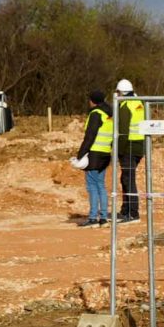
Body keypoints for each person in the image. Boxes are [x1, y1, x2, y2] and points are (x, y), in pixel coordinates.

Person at [71, 88, 114, 228]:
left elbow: (90, 136)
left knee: (92, 186)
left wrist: (81, 155)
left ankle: (93, 218)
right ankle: (103, 218)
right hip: (105, 153)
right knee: (100, 185)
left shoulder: (95, 114)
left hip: (94, 154)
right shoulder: (109, 115)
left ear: (92, 101)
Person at [113, 77, 148, 224]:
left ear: (121, 92)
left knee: (128, 179)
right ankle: (125, 210)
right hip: (140, 146)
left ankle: (132, 213)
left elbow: (123, 132)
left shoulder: (125, 105)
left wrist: (117, 151)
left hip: (128, 147)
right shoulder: (139, 102)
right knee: (126, 177)